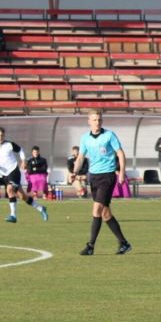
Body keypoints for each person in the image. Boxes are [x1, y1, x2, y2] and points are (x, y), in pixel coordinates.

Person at [69, 110, 132, 256]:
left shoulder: (109, 135)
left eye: (99, 120)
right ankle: (124, 243)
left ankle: (90, 246)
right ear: (89, 121)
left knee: (96, 209)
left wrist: (122, 172)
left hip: (107, 176)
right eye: (95, 120)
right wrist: (74, 172)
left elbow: (120, 153)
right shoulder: (85, 138)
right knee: (105, 213)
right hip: (94, 177)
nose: (97, 122)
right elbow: (80, 158)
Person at [0, 128, 48, 223]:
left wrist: (23, 160)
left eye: (2, 135)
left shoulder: (9, 144)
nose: (0, 137)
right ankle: (41, 208)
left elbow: (20, 150)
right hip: (2, 174)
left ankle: (13, 216)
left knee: (9, 190)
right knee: (23, 197)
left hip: (13, 172)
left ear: (4, 135)